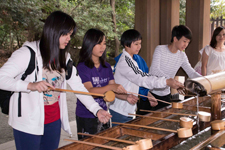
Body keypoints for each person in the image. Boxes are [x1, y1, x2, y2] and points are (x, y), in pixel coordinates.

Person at [0, 11, 111, 150]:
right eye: (65, 34)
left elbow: (79, 87)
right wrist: (30, 85)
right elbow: (1, 78)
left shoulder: (64, 57)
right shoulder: (27, 53)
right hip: (28, 124)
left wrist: (97, 110)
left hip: (53, 121)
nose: (69, 38)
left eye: (70, 34)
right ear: (53, 31)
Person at [109, 29, 184, 126]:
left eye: (140, 43)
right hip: (119, 111)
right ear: (126, 44)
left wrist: (148, 93)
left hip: (127, 109)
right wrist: (165, 81)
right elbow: (142, 78)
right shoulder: (125, 62)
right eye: (136, 44)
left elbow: (140, 78)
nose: (139, 47)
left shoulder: (132, 60)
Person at [76, 28, 138, 139]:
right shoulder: (82, 67)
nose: (102, 47)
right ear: (89, 44)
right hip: (86, 116)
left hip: (104, 114)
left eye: (104, 43)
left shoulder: (106, 66)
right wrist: (111, 87)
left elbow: (113, 91)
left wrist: (126, 97)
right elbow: (89, 92)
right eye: (98, 43)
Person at [149, 25, 201, 110]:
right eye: (184, 41)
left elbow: (191, 72)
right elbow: (155, 70)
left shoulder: (182, 55)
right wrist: (171, 81)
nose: (186, 45)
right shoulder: (160, 49)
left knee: (163, 121)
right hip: (151, 93)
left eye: (188, 42)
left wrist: (206, 80)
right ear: (175, 39)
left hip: (166, 94)